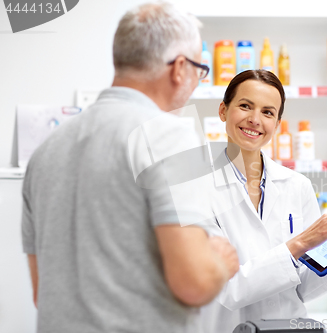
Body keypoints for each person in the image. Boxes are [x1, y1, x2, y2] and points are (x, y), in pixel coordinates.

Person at [21, 3, 238, 333]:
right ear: (179, 68)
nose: (196, 81)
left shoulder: (47, 150)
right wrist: (219, 262)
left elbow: (42, 291)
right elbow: (193, 284)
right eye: (199, 70)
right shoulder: (169, 134)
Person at [200, 69, 327, 333]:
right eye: (245, 106)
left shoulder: (297, 186)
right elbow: (226, 288)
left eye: (268, 112)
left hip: (291, 328)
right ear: (223, 111)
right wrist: (301, 243)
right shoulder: (194, 191)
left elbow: (302, 288)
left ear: (277, 123)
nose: (255, 120)